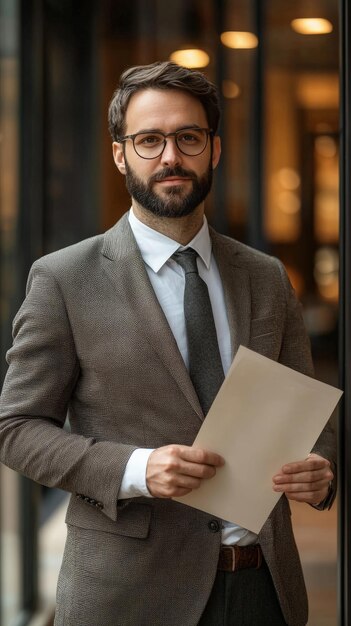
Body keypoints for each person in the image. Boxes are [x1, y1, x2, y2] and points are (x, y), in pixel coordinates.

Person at [0, 61, 336, 626]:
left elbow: (308, 409)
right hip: (129, 596)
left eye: (188, 138)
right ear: (120, 154)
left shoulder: (265, 276)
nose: (171, 158)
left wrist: (321, 469)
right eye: (149, 140)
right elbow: (15, 429)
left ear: (215, 149)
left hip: (264, 588)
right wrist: (136, 467)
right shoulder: (63, 278)